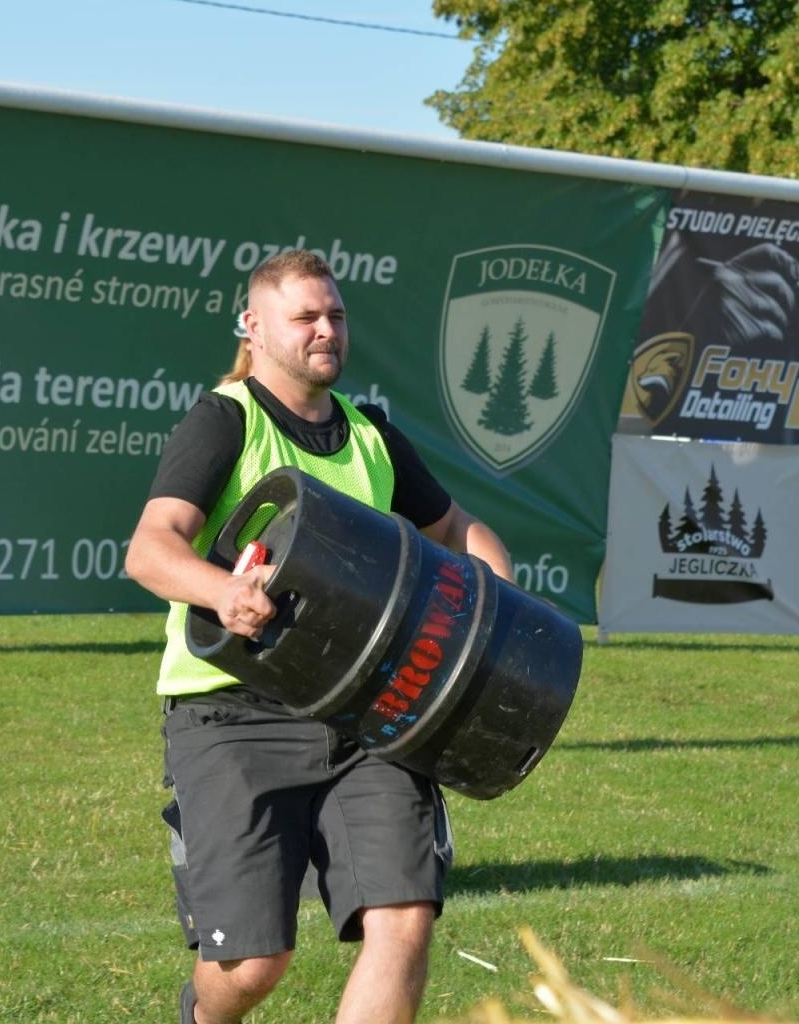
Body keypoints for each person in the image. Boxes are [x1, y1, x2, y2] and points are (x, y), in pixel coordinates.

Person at [125, 249, 514, 1024]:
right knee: (250, 968)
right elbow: (150, 547)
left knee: (404, 916)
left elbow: (458, 527)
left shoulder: (371, 434)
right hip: (232, 714)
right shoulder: (223, 420)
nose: (324, 330)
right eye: (304, 317)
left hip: (362, 715)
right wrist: (223, 592)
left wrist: (492, 596)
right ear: (255, 326)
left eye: (334, 315)